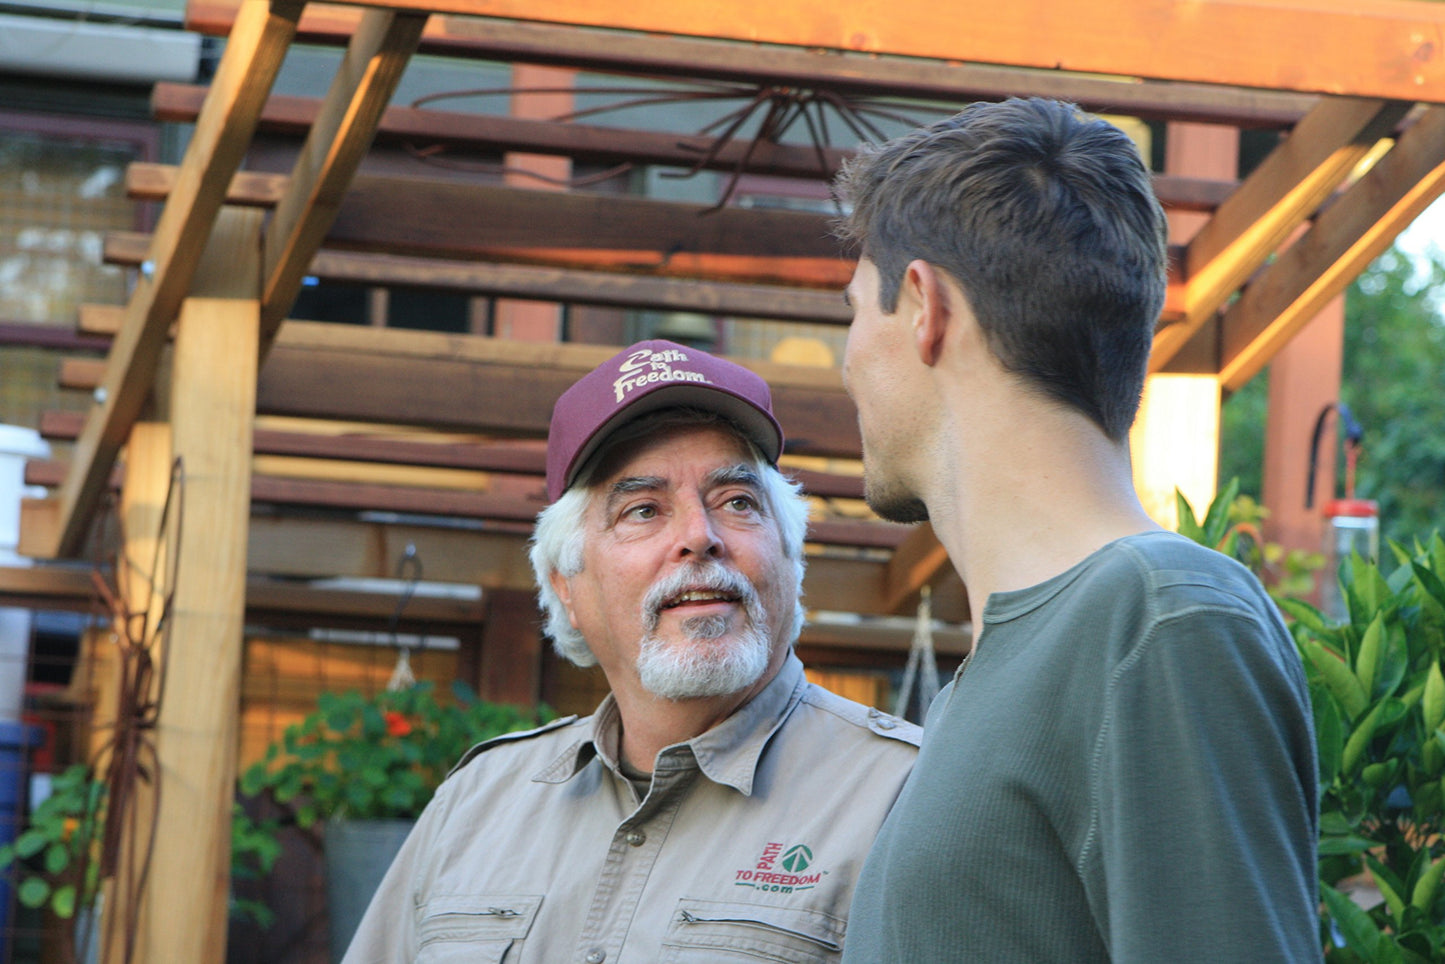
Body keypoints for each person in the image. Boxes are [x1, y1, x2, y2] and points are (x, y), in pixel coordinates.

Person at [833, 98, 1318, 962]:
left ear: (922, 308)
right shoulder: (1016, 663)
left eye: (851, 313)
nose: (844, 360)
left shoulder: (1158, 622)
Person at [342, 339, 920, 964]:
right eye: (643, 509)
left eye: (738, 503)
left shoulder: (906, 797)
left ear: (790, 555)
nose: (700, 535)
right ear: (568, 587)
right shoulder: (475, 805)